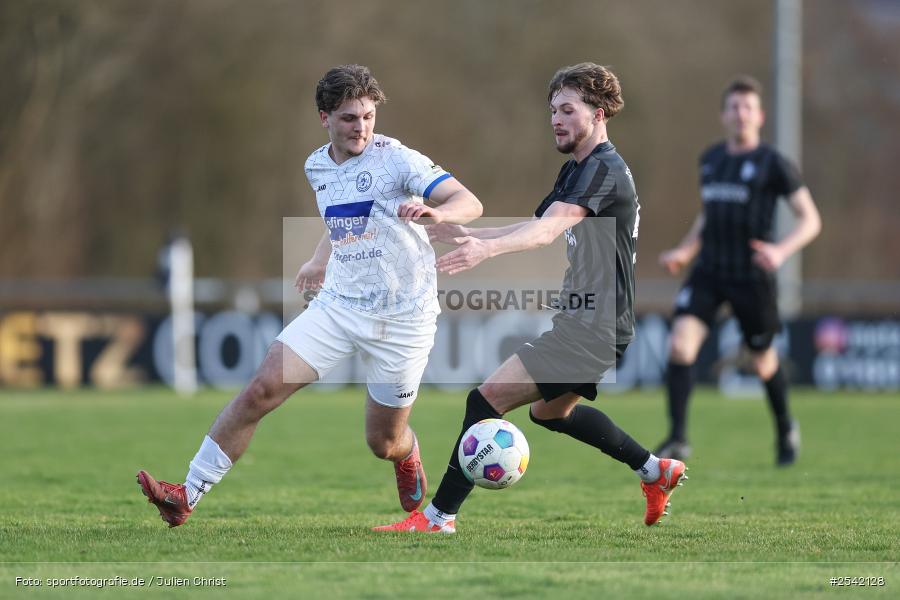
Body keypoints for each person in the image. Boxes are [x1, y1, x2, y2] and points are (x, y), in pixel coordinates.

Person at [137, 64, 483, 527]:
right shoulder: (316, 165)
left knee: (383, 442)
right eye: (348, 118)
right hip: (339, 307)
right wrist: (321, 258)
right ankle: (186, 495)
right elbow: (343, 216)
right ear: (324, 118)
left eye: (367, 116)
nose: (360, 127)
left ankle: (408, 453)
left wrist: (437, 215)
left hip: (404, 317)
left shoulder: (397, 159)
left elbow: (469, 202)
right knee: (260, 391)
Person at [374, 63, 687, 534]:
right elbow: (531, 223)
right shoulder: (578, 169)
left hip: (593, 326)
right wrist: (459, 232)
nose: (556, 119)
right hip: (592, 323)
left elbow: (546, 231)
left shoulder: (602, 169)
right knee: (549, 413)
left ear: (599, 114)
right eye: (552, 111)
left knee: (484, 402)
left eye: (567, 109)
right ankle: (654, 470)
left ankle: (439, 518)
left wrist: (485, 250)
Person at [653, 75, 821, 466]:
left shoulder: (773, 163)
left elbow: (810, 220)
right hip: (710, 270)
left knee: (762, 359)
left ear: (759, 116)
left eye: (748, 107)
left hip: (752, 276)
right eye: (734, 107)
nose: (740, 114)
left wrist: (781, 251)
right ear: (724, 115)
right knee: (679, 344)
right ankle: (678, 438)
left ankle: (784, 427)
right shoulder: (711, 159)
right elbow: (709, 214)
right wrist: (685, 250)